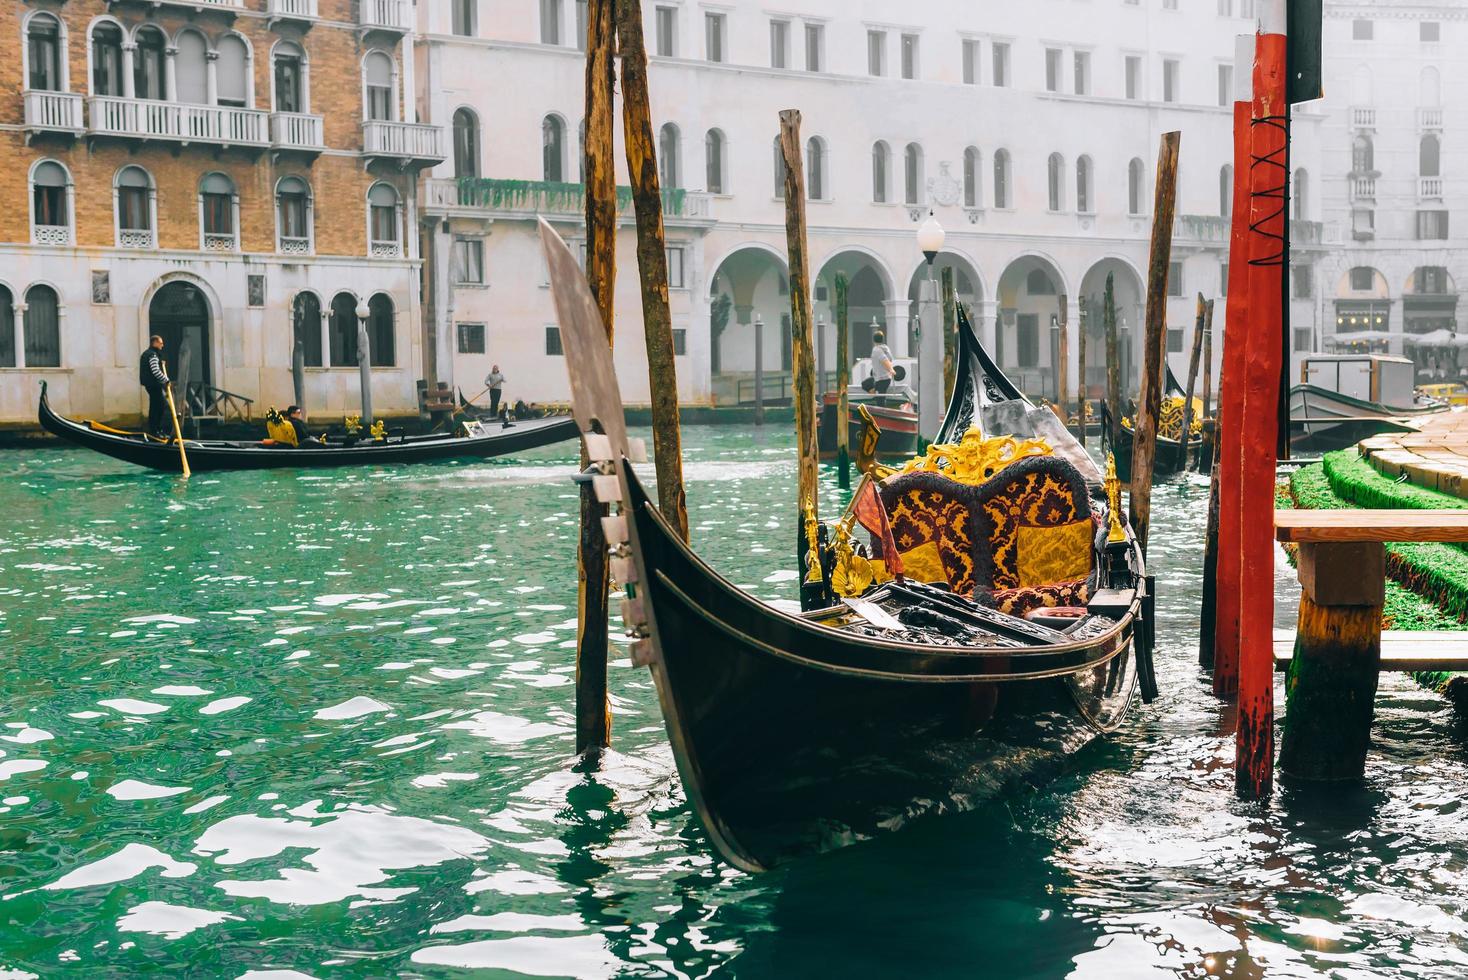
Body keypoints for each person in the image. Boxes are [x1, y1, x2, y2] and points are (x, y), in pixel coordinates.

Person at [138, 335, 171, 439]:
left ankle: (155, 430)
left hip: (150, 384)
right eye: (161, 343)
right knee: (160, 406)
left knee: (155, 406)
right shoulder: (152, 355)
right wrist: (166, 380)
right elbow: (155, 371)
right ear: (155, 343)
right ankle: (156, 430)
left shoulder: (147, 354)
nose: (162, 345)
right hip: (154, 385)